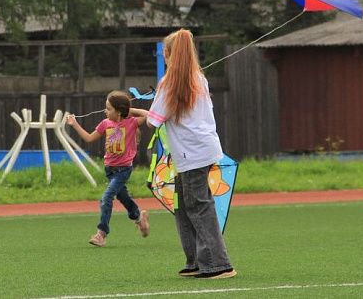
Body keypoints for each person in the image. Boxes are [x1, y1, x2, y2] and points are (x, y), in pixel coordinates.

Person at [146, 29, 236, 279]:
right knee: (185, 206)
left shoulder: (170, 81)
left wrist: (141, 113)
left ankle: (219, 263)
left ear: (167, 54)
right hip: (201, 149)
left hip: (190, 153)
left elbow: (154, 121)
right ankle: (196, 260)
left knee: (197, 206)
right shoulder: (198, 77)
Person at [66, 90, 151, 247]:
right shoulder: (106, 123)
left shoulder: (131, 122)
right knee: (124, 198)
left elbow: (149, 115)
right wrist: (74, 124)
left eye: (109, 108)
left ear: (118, 111)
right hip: (110, 170)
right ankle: (140, 217)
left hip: (123, 170)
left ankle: (101, 233)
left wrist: (129, 110)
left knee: (106, 198)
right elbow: (89, 138)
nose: (105, 111)